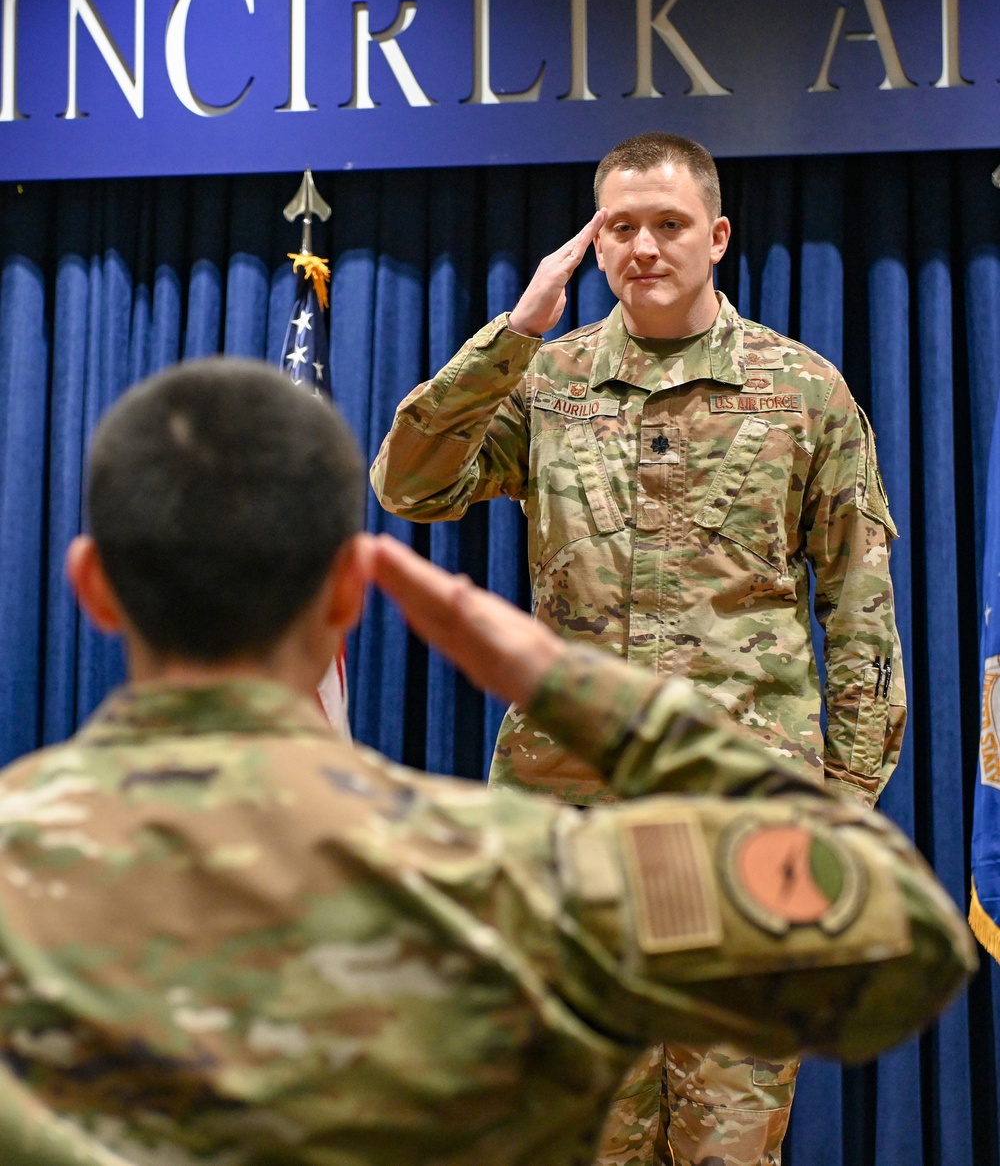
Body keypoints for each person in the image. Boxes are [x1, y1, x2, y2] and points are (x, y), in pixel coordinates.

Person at [0, 359, 966, 1166]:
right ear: (351, 593)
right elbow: (898, 934)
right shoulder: (509, 880)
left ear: (91, 585)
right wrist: (574, 687)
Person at [371, 132, 906, 1166]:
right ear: (594, 239)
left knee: (730, 1143)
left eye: (668, 223)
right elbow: (411, 484)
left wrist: (842, 801)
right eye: (620, 226)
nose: (644, 247)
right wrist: (514, 336)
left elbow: (859, 607)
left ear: (717, 235)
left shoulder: (801, 390)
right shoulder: (549, 381)